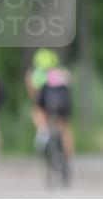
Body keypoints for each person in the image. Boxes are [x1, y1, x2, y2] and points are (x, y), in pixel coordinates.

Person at [26, 48, 76, 179]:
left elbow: (33, 94)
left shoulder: (37, 74)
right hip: (63, 102)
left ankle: (43, 130)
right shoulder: (62, 72)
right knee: (65, 129)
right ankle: (69, 161)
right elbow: (70, 84)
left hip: (47, 103)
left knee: (36, 110)